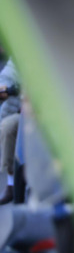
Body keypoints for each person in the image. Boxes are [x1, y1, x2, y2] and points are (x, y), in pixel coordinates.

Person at [0, 58, 20, 204]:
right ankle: (11, 182)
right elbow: (5, 78)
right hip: (20, 111)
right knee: (7, 126)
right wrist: (4, 88)